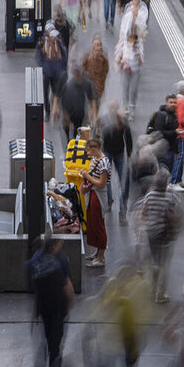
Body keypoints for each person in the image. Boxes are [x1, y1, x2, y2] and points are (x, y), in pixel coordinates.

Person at [28, 236, 74, 367]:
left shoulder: (36, 259)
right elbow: (67, 287)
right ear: (55, 245)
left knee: (46, 342)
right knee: (56, 345)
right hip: (58, 309)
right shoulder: (60, 261)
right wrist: (69, 304)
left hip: (43, 308)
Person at [136, 168, 184, 303]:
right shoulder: (170, 197)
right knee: (164, 264)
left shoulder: (150, 195)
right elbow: (176, 213)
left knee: (155, 260)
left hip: (151, 232)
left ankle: (152, 288)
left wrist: (144, 224)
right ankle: (161, 293)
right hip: (165, 234)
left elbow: (143, 212)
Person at [99, 101, 134, 223]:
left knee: (124, 179)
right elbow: (97, 134)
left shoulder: (122, 120)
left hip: (119, 152)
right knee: (106, 178)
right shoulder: (103, 119)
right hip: (106, 151)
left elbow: (128, 136)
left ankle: (122, 211)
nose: (113, 110)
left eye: (115, 107)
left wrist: (129, 152)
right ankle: (109, 200)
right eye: (111, 107)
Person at [81, 138, 110, 267]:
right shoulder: (95, 159)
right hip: (93, 193)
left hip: (98, 196)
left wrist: (88, 177)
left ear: (94, 148)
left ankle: (101, 256)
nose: (88, 153)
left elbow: (102, 184)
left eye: (89, 150)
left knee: (99, 225)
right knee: (93, 223)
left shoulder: (104, 163)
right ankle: (98, 253)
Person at [58, 64, 96, 143]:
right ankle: (68, 140)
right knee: (66, 127)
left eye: (78, 73)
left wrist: (92, 110)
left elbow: (92, 98)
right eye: (75, 73)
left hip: (79, 111)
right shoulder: (68, 84)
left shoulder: (86, 83)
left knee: (77, 128)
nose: (77, 76)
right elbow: (62, 100)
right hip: (69, 109)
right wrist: (65, 113)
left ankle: (75, 141)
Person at [36, 30, 68, 119]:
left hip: (56, 72)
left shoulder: (59, 43)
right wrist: (43, 66)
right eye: (54, 37)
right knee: (45, 93)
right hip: (46, 73)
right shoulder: (42, 43)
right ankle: (47, 112)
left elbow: (65, 55)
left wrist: (62, 67)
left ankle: (56, 109)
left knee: (56, 92)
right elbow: (38, 55)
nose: (55, 38)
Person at [113, 28, 144, 117]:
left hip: (135, 70)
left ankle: (132, 106)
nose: (132, 40)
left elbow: (141, 62)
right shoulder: (123, 45)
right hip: (125, 70)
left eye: (134, 38)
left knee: (133, 89)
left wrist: (138, 54)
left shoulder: (139, 47)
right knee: (125, 88)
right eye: (130, 38)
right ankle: (125, 106)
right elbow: (118, 58)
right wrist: (121, 61)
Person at [147, 94, 180, 176]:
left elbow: (175, 137)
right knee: (162, 174)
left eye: (175, 103)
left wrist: (176, 151)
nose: (173, 104)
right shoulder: (161, 115)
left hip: (170, 150)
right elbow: (159, 132)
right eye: (171, 102)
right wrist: (174, 132)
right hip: (162, 150)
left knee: (168, 173)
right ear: (166, 103)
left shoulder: (174, 115)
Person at [82, 35, 109, 108]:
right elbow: (82, 65)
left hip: (99, 83)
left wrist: (102, 78)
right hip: (90, 81)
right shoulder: (88, 54)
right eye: (95, 44)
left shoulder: (104, 58)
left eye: (99, 44)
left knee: (97, 101)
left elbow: (106, 70)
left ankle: (95, 111)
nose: (97, 46)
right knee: (90, 100)